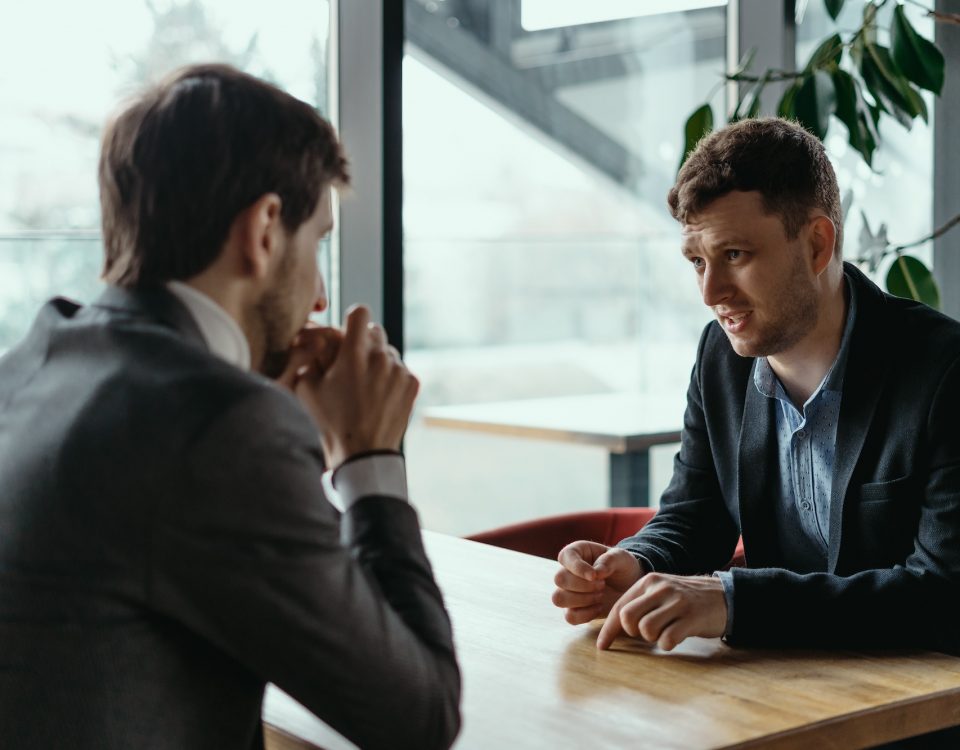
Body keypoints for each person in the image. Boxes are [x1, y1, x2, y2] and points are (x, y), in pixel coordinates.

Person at [0, 64, 460, 750]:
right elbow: (419, 718)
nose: (318, 301)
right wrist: (368, 457)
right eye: (318, 245)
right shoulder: (217, 429)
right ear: (266, 229)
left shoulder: (29, 368)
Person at [552, 117, 960, 661]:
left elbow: (943, 596)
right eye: (697, 261)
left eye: (735, 256)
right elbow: (695, 514)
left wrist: (734, 601)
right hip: (780, 687)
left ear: (817, 244)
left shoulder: (944, 371)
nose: (710, 292)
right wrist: (635, 563)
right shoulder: (720, 358)